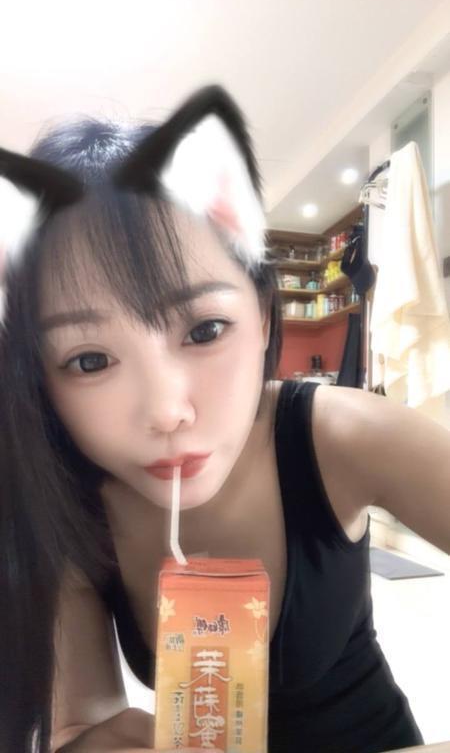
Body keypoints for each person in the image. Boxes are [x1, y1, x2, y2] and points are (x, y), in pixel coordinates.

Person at [0, 84, 448, 753]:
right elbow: (81, 720)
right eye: (90, 360)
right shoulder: (68, 498)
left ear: (262, 315)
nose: (167, 411)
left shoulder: (344, 436)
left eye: (205, 329)